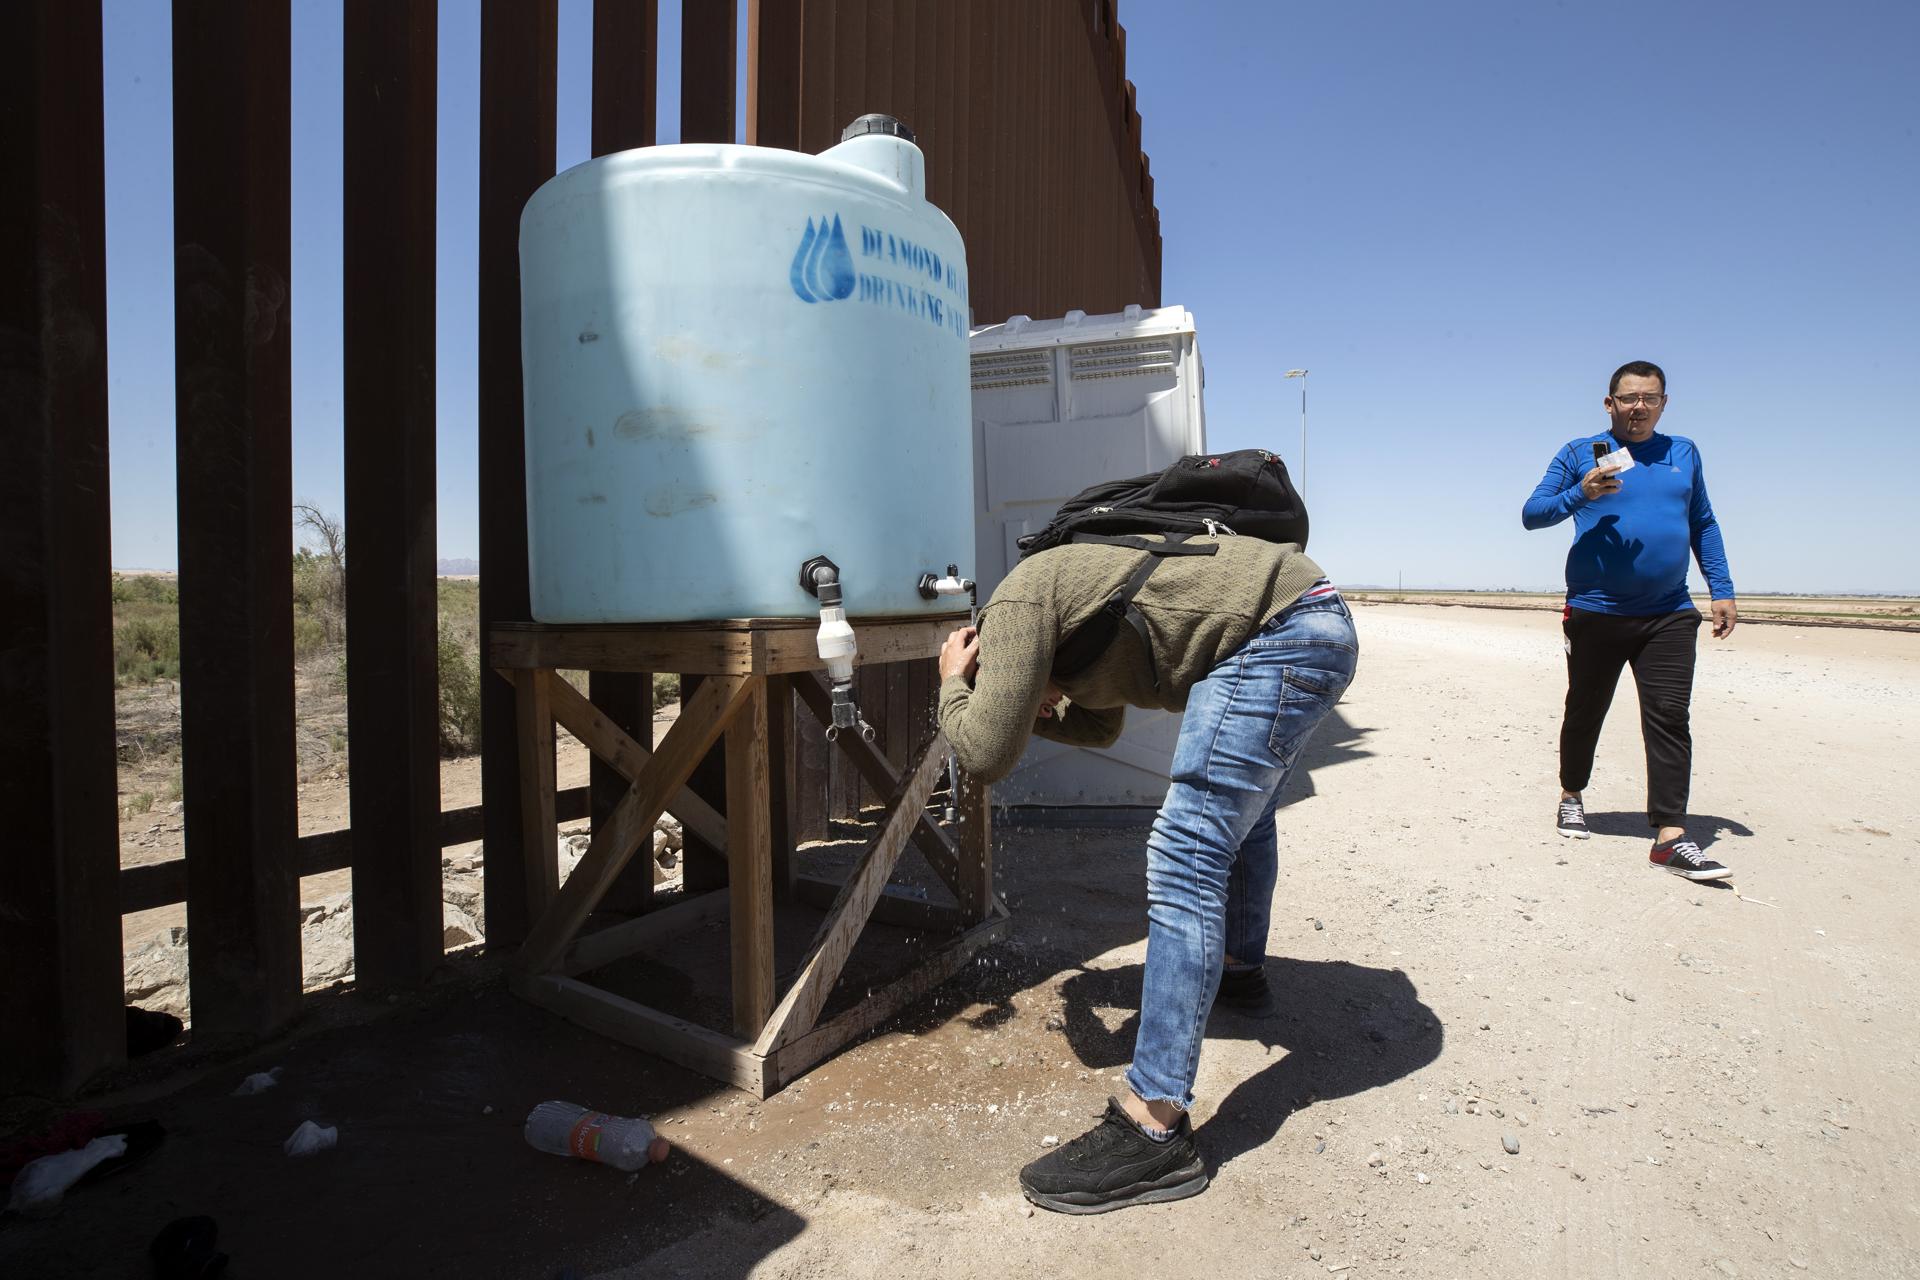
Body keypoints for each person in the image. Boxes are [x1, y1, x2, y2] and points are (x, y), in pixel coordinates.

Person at [936, 531, 1356, 1213]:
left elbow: (982, 752)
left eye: (1014, 693)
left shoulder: (1013, 612)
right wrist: (1023, 710)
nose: (1038, 708)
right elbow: (1097, 731)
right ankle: (1240, 972)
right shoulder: (1068, 633)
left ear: (1000, 664)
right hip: (1309, 618)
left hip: (1278, 634)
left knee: (1186, 849)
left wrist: (954, 685)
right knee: (1244, 818)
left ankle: (1153, 1129)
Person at [1521, 359, 1738, 880]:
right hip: (1596, 611)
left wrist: (1722, 589)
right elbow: (1533, 513)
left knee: (1668, 716)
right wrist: (1583, 492)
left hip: (1667, 612)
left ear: (1664, 403)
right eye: (1628, 398)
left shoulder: (1683, 453)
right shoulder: (1580, 453)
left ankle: (1670, 835)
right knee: (1586, 708)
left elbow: (1702, 521)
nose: (1639, 407)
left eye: (1650, 398)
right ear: (1610, 403)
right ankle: (1572, 792)